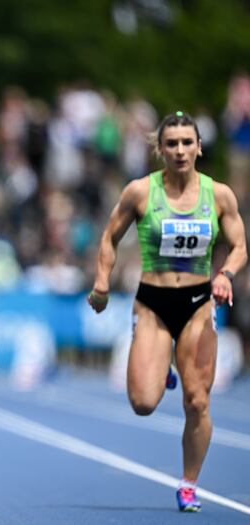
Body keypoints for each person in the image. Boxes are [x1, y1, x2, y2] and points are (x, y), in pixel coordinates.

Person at [88, 111, 247, 512]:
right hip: (154, 304)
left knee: (198, 401)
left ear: (198, 147)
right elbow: (108, 237)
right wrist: (102, 282)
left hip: (196, 304)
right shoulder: (141, 192)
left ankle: (189, 483)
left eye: (185, 143)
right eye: (171, 143)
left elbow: (240, 246)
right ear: (160, 149)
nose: (179, 150)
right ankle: (164, 368)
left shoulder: (219, 195)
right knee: (143, 403)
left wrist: (226, 273)